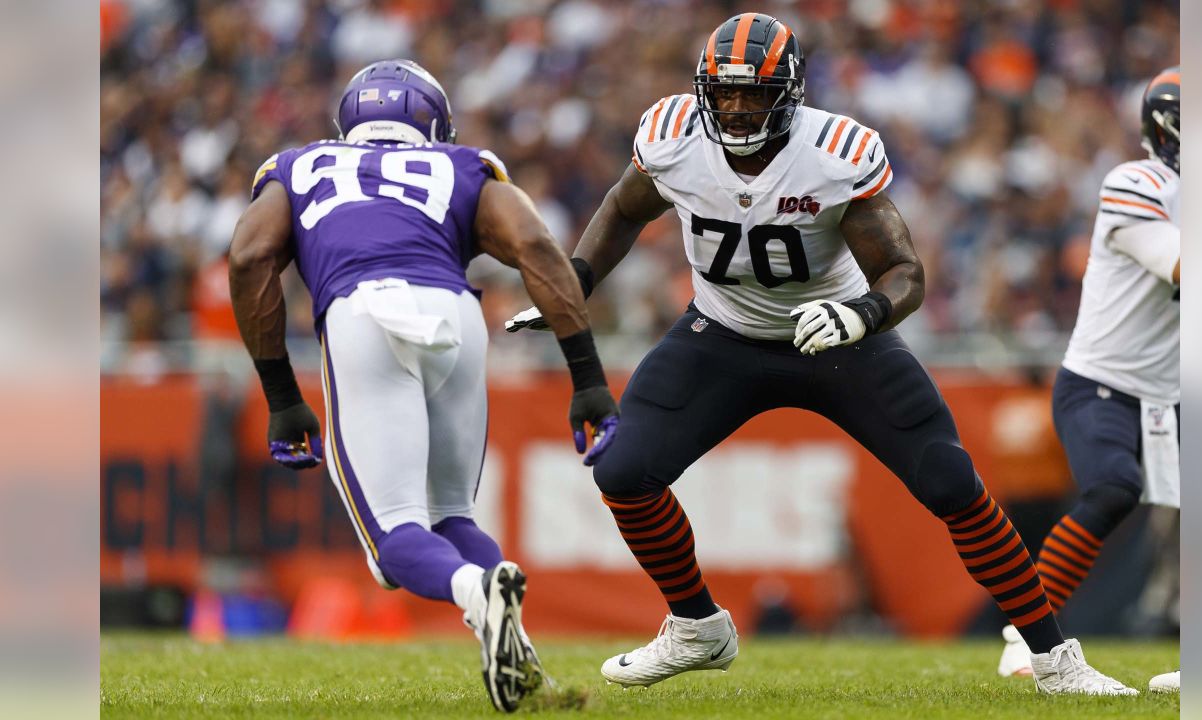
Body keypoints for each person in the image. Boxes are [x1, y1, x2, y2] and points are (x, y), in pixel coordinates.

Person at [506, 13, 1134, 695]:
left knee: (952, 483)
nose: (739, 107)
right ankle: (696, 626)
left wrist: (858, 313)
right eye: (726, 94)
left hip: (834, 339)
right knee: (623, 472)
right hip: (722, 333)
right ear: (703, 92)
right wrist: (577, 282)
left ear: (790, 92)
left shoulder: (833, 153)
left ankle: (1053, 659)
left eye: (755, 93)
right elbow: (625, 209)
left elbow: (905, 273)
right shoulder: (672, 137)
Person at [228, 59, 620, 713]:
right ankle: (523, 662)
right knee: (453, 516)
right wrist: (587, 379)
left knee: (395, 544)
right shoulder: (465, 164)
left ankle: (476, 593)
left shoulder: (298, 165)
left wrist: (282, 397)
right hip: (456, 317)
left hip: (365, 312)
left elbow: (247, 256)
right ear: (434, 121)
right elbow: (535, 245)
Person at [996, 68, 1181, 694]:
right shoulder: (1136, 181)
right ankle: (1030, 635)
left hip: (1177, 391)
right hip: (1102, 382)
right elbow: (1181, 264)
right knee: (1113, 488)